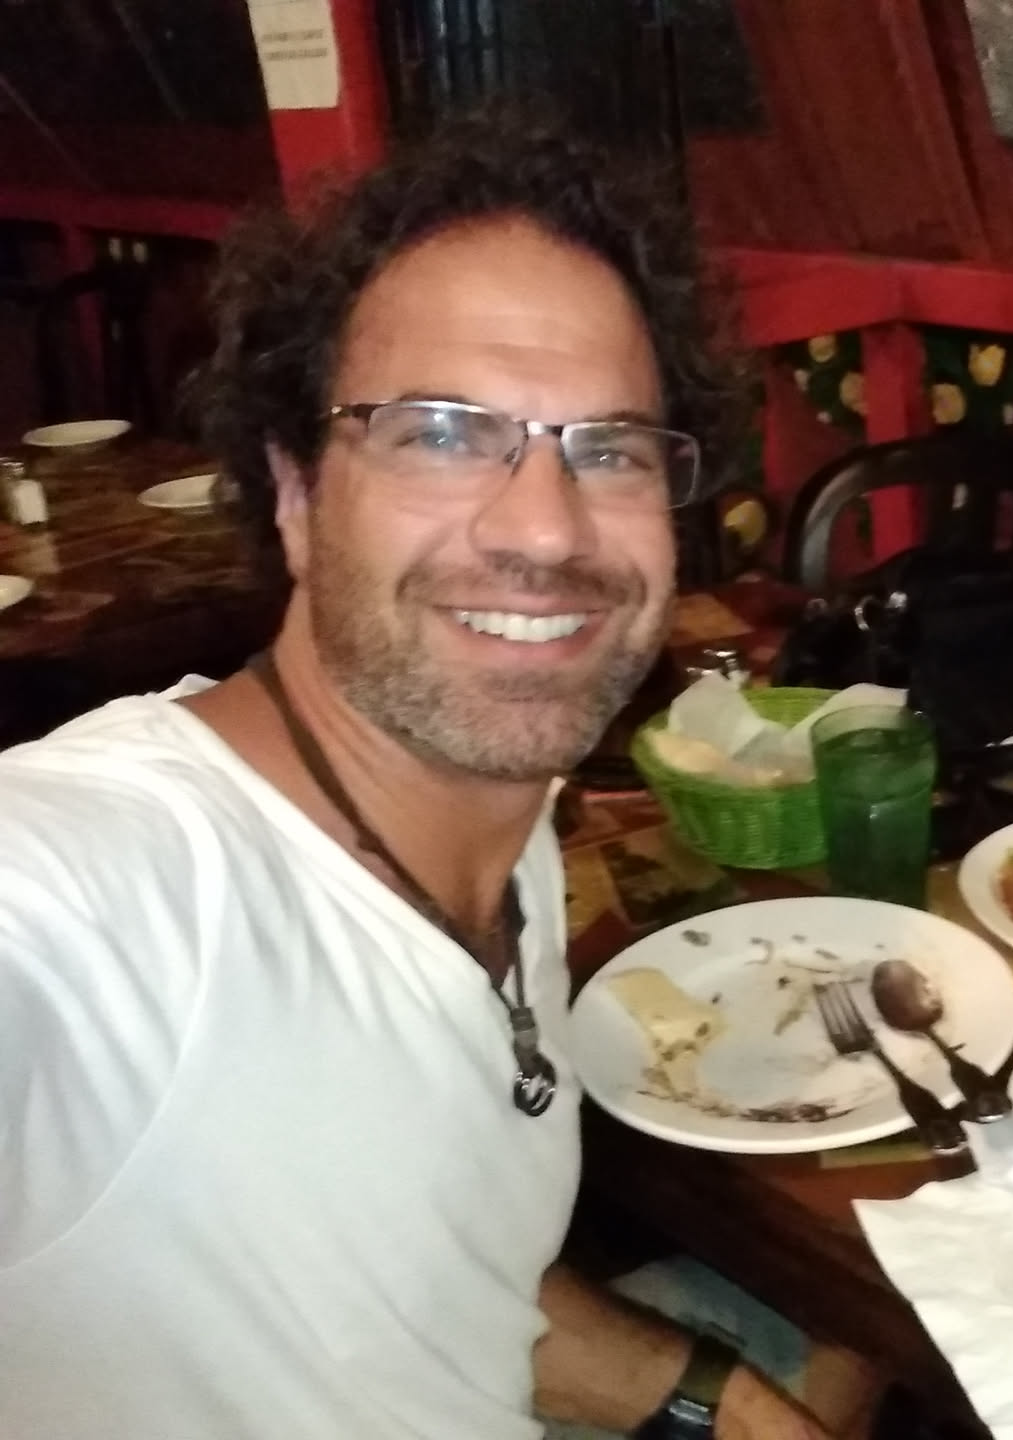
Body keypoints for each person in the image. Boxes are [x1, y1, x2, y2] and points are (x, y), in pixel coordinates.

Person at [0, 113, 861, 1439]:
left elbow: (435, 1281)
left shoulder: (504, 828)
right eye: (443, 434)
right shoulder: (110, 889)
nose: (544, 528)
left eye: (610, 449)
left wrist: (712, 1398)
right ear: (295, 496)